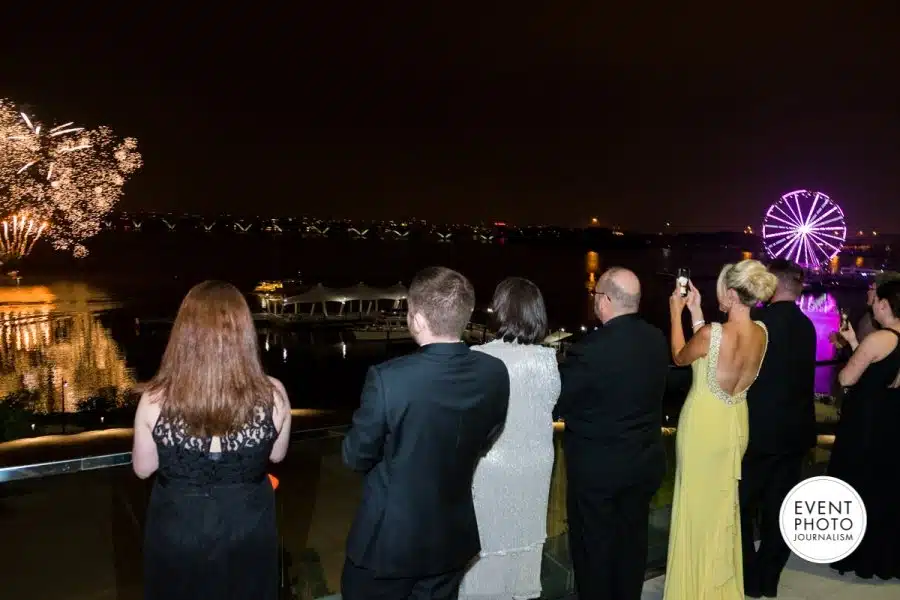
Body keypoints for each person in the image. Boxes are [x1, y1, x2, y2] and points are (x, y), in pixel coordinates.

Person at [341, 267, 510, 600]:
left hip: (387, 545)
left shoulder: (388, 379)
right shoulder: (494, 373)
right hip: (450, 541)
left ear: (416, 319)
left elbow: (355, 456)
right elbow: (487, 438)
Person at [132, 281, 292, 600]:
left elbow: (143, 469)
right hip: (249, 526)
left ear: (184, 335)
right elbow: (276, 454)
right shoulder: (273, 393)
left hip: (179, 528)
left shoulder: (155, 399)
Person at [663, 260, 776, 600]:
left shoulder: (712, 334)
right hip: (735, 425)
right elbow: (713, 352)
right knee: (721, 506)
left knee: (695, 507)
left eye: (720, 293)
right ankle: (716, 586)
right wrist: (697, 312)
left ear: (730, 293)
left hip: (703, 427)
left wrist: (676, 313)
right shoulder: (761, 333)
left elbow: (684, 356)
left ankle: (691, 588)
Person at [555, 267, 669, 600]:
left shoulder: (590, 350)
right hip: (644, 463)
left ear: (604, 300)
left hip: (599, 473)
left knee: (594, 554)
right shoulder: (656, 339)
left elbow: (559, 400)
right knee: (632, 546)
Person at [460, 277, 560, 600]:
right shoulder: (548, 361)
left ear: (500, 311)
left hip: (494, 468)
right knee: (523, 552)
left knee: (487, 554)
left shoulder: (479, 358)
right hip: (534, 469)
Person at [737, 260, 817, 598]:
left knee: (740, 507)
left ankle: (748, 574)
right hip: (795, 433)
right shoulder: (806, 326)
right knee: (780, 510)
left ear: (769, 285)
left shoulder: (759, 324)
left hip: (757, 432)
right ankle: (768, 579)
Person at [828, 279, 900, 580]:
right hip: (891, 420)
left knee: (857, 485)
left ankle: (856, 556)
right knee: (883, 487)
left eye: (875, 301)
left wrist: (855, 350)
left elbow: (847, 378)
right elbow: (883, 374)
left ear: (884, 304)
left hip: (865, 423)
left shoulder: (879, 338)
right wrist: (856, 342)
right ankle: (884, 558)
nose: (871, 304)